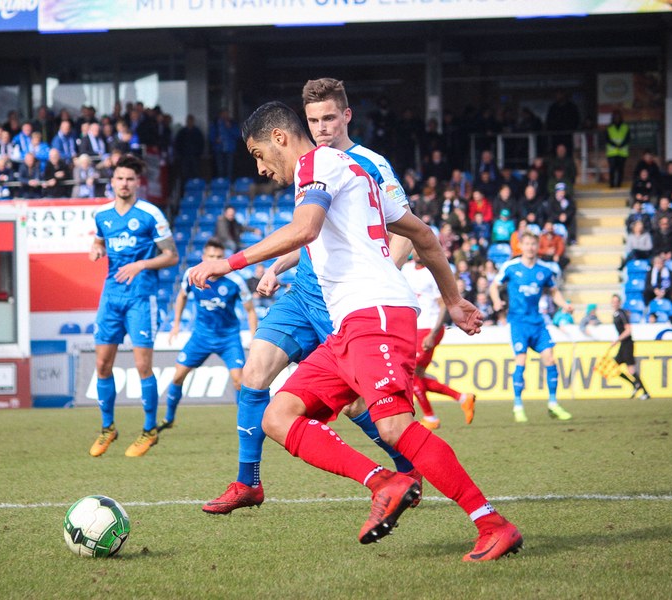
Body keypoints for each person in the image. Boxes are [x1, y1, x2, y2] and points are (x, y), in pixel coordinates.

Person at [188, 100, 522, 561]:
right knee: (278, 416)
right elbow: (424, 235)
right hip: (349, 322)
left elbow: (306, 229)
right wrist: (453, 299)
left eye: (259, 155)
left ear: (279, 138)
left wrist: (227, 263)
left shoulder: (318, 164)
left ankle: (492, 524)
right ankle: (384, 482)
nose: (261, 168)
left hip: (375, 313)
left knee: (394, 425)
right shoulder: (354, 171)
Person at [200, 79, 418, 517]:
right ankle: (248, 481)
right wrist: (278, 266)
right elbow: (314, 233)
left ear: (346, 116)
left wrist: (376, 280)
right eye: (313, 120)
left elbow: (406, 232)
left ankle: (407, 468)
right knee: (256, 369)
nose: (321, 128)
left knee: (355, 403)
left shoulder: (370, 164)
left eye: (329, 118)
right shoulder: (309, 164)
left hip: (345, 299)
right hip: (303, 292)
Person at [88, 154, 179, 458]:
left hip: (141, 297)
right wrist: (96, 248)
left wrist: (141, 264)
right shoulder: (102, 215)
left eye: (129, 179)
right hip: (111, 297)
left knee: (142, 366)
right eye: (120, 178)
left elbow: (172, 256)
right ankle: (108, 428)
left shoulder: (151, 214)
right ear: (112, 182)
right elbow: (100, 241)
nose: (124, 184)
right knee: (102, 365)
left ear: (137, 182)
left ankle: (150, 430)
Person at [160, 238, 258, 428]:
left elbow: (251, 310)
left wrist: (254, 336)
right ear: (204, 257)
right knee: (178, 376)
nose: (215, 260)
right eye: (211, 256)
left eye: (219, 257)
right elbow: (181, 296)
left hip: (228, 338)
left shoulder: (235, 280)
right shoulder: (192, 274)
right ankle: (169, 418)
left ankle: (245, 424)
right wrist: (176, 324)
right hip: (201, 337)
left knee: (239, 381)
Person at [489, 231, 574, 423]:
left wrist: (564, 305)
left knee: (550, 358)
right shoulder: (511, 267)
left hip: (537, 322)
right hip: (518, 322)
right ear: (521, 246)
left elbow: (553, 291)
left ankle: (553, 403)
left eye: (533, 244)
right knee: (521, 360)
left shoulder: (544, 270)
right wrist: (496, 301)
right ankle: (518, 406)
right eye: (527, 244)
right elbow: (494, 286)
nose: (530, 247)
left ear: (538, 247)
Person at [401, 250, 477, 431]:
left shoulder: (433, 272)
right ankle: (463, 398)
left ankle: (430, 417)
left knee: (411, 375)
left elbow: (443, 305)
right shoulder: (406, 269)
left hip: (429, 328)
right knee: (417, 376)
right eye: (413, 247)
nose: (416, 251)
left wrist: (434, 333)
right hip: (412, 328)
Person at [609, 295, 651, 400]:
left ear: (620, 302)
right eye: (613, 301)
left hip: (627, 344)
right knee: (613, 367)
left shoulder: (622, 313)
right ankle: (635, 384)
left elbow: (628, 330)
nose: (614, 303)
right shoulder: (616, 314)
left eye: (616, 301)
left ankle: (645, 392)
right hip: (623, 344)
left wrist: (617, 340)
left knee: (631, 369)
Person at [209, 109, 241, 179]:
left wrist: (230, 128)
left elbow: (238, 135)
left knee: (229, 169)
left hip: (230, 149)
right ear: (220, 114)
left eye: (227, 114)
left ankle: (229, 183)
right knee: (220, 169)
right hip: (219, 149)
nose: (225, 115)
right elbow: (211, 136)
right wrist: (215, 139)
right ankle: (221, 183)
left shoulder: (232, 123)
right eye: (223, 114)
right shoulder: (215, 123)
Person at [605, 110, 630, 188]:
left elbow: (627, 138)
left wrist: (621, 145)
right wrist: (615, 145)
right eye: (615, 117)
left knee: (620, 169)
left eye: (618, 117)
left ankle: (619, 184)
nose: (617, 118)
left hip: (622, 152)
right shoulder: (609, 127)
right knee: (612, 168)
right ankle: (612, 184)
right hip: (612, 152)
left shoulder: (625, 127)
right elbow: (607, 139)